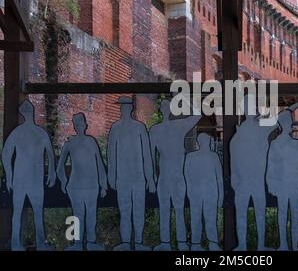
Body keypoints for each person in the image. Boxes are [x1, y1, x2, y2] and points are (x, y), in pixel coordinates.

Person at [2, 100, 56, 251]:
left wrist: (9, 175)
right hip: (31, 178)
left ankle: (21, 243)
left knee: (24, 211)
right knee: (33, 211)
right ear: (31, 112)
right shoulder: (39, 132)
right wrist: (9, 175)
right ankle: (23, 243)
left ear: (23, 113)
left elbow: (6, 154)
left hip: (24, 178)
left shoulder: (20, 132)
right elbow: (51, 155)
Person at [149, 99, 202, 251]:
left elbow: (150, 158)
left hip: (166, 176)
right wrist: (186, 100)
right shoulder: (178, 126)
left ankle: (169, 243)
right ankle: (180, 243)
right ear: (171, 111)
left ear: (161, 111)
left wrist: (152, 178)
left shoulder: (155, 130)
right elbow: (197, 114)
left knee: (166, 210)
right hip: (175, 175)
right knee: (177, 210)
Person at [107, 96, 155, 251]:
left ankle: (139, 242)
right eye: (122, 106)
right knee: (125, 210)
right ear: (121, 109)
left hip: (138, 177)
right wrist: (111, 176)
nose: (124, 109)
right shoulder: (116, 128)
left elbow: (147, 155)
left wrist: (150, 178)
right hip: (123, 177)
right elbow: (111, 154)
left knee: (138, 210)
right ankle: (126, 242)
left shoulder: (139, 127)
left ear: (131, 108)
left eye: (126, 106)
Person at [57, 113, 108, 251]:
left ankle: (91, 242)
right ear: (75, 126)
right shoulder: (70, 143)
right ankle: (77, 243)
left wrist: (103, 184)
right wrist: (63, 182)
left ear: (85, 125)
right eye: (77, 124)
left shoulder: (91, 142)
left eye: (81, 124)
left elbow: (99, 163)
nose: (80, 126)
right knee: (77, 215)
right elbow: (60, 165)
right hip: (75, 187)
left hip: (92, 186)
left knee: (91, 214)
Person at [266, 97, 298, 251]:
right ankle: (291, 245)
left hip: (286, 184)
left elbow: (271, 167)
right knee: (292, 216)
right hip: (292, 184)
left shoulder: (276, 144)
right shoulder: (295, 144)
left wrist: (271, 184)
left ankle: (286, 245)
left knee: (283, 215)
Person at [185, 133, 223, 251]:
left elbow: (219, 178)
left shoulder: (211, 157)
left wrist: (221, 195)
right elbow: (187, 177)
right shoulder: (211, 157)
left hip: (206, 192)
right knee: (202, 218)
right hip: (203, 192)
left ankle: (210, 243)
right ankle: (199, 244)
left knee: (208, 218)